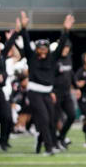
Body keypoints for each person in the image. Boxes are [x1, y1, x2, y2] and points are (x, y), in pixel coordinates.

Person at [18, 11, 73, 155]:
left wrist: (66, 30)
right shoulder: (31, 57)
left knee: (51, 121)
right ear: (36, 49)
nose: (42, 51)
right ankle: (49, 148)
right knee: (44, 118)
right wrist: (24, 28)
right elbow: (25, 42)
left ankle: (41, 143)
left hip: (48, 92)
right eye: (40, 48)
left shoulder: (53, 58)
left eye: (45, 48)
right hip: (35, 92)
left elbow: (61, 45)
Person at [53, 41, 76, 147]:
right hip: (56, 93)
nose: (66, 49)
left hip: (66, 93)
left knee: (72, 116)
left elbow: (71, 74)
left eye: (67, 48)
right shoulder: (54, 59)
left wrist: (76, 87)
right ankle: (54, 141)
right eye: (64, 47)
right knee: (55, 118)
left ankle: (61, 137)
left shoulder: (68, 59)